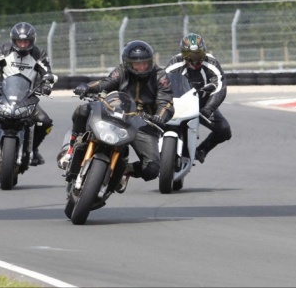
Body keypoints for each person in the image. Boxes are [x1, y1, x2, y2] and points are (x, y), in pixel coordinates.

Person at [57, 40, 174, 192]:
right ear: (127, 63)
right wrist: (87, 87)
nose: (142, 67)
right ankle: (71, 149)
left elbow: (166, 102)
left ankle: (126, 170)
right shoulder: (121, 71)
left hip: (143, 123)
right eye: (137, 64)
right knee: (83, 110)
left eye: (146, 63)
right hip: (116, 113)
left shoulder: (160, 76)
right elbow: (107, 82)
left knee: (152, 168)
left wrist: (159, 116)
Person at [0, 22, 58, 166]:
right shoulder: (3, 50)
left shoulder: (39, 54)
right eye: (20, 41)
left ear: (32, 41)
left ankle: (34, 148)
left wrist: (46, 85)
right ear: (13, 40)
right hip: (2, 94)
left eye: (26, 41)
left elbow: (48, 74)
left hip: (27, 96)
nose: (23, 44)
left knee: (45, 122)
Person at [165, 33, 232, 163]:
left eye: (199, 55)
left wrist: (208, 109)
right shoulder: (174, 63)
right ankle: (159, 151)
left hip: (203, 104)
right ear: (183, 55)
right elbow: (161, 84)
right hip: (179, 103)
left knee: (224, 130)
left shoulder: (212, 63)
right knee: (155, 123)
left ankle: (202, 150)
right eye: (190, 56)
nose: (195, 60)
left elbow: (220, 87)